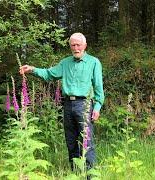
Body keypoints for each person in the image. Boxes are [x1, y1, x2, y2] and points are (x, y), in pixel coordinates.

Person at [19, 32, 105, 172]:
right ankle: (75, 173)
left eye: (78, 45)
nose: (76, 48)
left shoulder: (94, 62)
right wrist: (32, 69)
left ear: (85, 45)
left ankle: (90, 175)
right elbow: (48, 74)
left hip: (85, 105)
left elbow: (98, 87)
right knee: (71, 141)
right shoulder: (65, 63)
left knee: (86, 142)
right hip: (67, 105)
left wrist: (97, 106)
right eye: (73, 45)